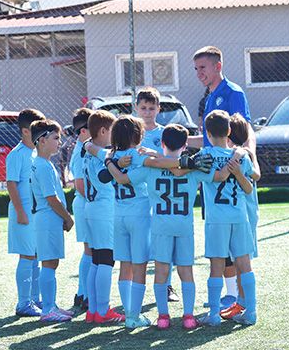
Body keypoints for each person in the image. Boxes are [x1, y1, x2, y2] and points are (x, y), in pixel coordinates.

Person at [83, 115, 214, 328]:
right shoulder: (140, 156)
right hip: (142, 216)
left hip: (119, 214)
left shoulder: (110, 154)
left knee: (125, 266)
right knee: (142, 267)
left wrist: (101, 155)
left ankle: (133, 314)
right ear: (138, 136)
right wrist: (188, 162)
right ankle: (137, 316)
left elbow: (94, 151)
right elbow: (164, 164)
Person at [188, 45, 260, 308]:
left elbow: (246, 130)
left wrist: (248, 156)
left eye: (203, 68)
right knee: (222, 246)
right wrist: (178, 140)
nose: (199, 73)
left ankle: (242, 299)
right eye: (196, 69)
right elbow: (210, 140)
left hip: (233, 178)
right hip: (215, 179)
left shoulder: (233, 92)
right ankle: (231, 296)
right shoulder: (209, 96)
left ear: (218, 66)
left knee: (238, 247)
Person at [198, 110, 258, 326]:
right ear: (229, 130)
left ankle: (214, 314)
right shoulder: (240, 155)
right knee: (244, 264)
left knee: (216, 265)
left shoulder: (204, 156)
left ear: (207, 133)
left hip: (217, 219)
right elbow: (249, 188)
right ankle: (251, 311)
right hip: (239, 216)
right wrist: (238, 170)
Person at [135, 87, 179, 302]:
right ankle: (138, 288)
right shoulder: (133, 133)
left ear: (158, 109)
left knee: (164, 241)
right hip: (139, 196)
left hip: (162, 195)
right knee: (141, 244)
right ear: (136, 108)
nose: (147, 112)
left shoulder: (164, 133)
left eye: (151, 108)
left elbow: (171, 159)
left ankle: (167, 286)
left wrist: (155, 157)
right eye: (143, 108)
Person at [82, 110, 126, 324]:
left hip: (91, 208)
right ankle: (102, 310)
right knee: (106, 260)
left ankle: (93, 310)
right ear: (102, 131)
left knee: (97, 260)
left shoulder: (89, 150)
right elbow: (103, 174)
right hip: (103, 209)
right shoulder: (102, 154)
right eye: (111, 131)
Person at [30, 119, 75, 322]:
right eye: (56, 138)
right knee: (49, 263)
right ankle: (48, 309)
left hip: (49, 219)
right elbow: (51, 198)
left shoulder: (43, 163)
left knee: (51, 263)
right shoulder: (42, 166)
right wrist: (67, 217)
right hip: (48, 218)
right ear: (42, 140)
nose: (59, 142)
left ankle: (51, 305)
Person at [220, 113, 260, 321]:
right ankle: (242, 302)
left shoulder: (240, 156)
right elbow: (257, 174)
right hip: (243, 213)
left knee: (243, 261)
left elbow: (254, 176)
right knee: (239, 260)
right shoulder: (243, 153)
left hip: (244, 214)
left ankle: (247, 307)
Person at [6, 108, 46, 317]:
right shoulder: (16, 154)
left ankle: (35, 299)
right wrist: (20, 211)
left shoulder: (37, 152)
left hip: (36, 213)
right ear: (25, 131)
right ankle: (23, 303)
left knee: (36, 255)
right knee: (27, 255)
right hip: (23, 213)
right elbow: (11, 184)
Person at [68, 108, 94, 311]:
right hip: (85, 204)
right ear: (83, 131)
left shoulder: (87, 148)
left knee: (92, 250)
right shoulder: (80, 152)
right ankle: (84, 294)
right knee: (90, 250)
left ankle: (83, 293)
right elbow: (80, 185)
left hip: (88, 203)